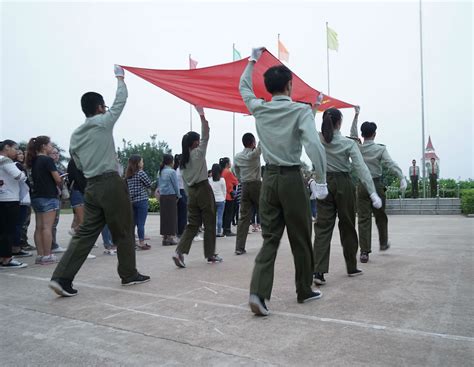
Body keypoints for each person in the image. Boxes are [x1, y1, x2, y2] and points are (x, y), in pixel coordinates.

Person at [240, 47, 328, 316]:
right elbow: (314, 145)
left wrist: (252, 61)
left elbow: (244, 87)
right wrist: (321, 179)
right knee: (301, 237)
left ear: (268, 88)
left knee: (270, 238)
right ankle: (304, 289)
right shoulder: (301, 111)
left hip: (269, 180)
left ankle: (258, 292)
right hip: (291, 178)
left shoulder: (259, 108)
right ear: (290, 85)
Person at [49, 65, 150, 297]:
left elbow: (78, 164)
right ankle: (129, 274)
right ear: (99, 107)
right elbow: (120, 101)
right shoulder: (103, 122)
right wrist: (120, 78)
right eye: (103, 106)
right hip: (110, 183)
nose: (106, 109)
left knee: (86, 232)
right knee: (124, 229)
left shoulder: (75, 135)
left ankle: (61, 278)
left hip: (91, 186)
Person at [313, 108, 383, 286]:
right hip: (343, 183)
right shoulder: (348, 143)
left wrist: (313, 109)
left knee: (323, 227)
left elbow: (305, 126)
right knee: (348, 226)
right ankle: (351, 266)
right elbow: (361, 168)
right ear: (339, 123)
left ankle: (318, 271)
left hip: (324, 183)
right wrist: (372, 191)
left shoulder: (318, 138)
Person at [350, 113, 406, 263]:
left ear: (362, 134)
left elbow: (352, 134)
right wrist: (401, 177)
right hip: (376, 185)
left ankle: (364, 252)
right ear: (374, 134)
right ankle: (383, 242)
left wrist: (356, 116)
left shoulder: (357, 147)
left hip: (362, 186)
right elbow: (391, 164)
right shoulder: (380, 149)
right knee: (381, 216)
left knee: (363, 219)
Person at [172, 106, 222, 268]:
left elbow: (186, 185)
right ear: (195, 142)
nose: (200, 141)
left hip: (191, 193)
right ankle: (210, 255)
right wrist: (201, 115)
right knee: (209, 222)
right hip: (203, 189)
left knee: (192, 224)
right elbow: (206, 135)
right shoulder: (199, 153)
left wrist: (190, 196)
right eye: (198, 140)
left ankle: (180, 252)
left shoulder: (182, 162)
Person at [26, 136, 64, 265]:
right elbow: (57, 179)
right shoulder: (47, 160)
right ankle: (48, 255)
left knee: (39, 227)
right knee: (47, 227)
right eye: (50, 145)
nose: (52, 147)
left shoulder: (34, 160)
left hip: (36, 196)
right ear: (43, 146)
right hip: (49, 195)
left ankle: (41, 255)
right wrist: (61, 179)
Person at [0, 140, 28, 269]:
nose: (16, 152)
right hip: (10, 199)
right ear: (7, 147)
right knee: (8, 231)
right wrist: (23, 173)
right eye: (15, 148)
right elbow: (18, 176)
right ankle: (7, 259)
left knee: (2, 231)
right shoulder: (5, 160)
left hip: (2, 198)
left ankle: (2, 257)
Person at [233, 133, 262, 255]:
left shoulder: (237, 156)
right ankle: (269, 242)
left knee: (244, 217)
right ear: (253, 142)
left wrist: (241, 179)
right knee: (265, 212)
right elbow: (262, 143)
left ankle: (239, 247)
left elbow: (235, 171)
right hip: (256, 184)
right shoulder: (255, 154)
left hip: (244, 185)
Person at [125, 155, 152, 250]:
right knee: (141, 223)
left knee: (133, 223)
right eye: (142, 162)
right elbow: (149, 184)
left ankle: (132, 242)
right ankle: (141, 242)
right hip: (142, 200)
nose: (143, 163)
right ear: (138, 163)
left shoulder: (128, 174)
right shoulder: (141, 173)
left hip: (132, 201)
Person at [157, 154, 180, 246]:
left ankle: (165, 238)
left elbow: (159, 184)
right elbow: (175, 185)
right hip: (171, 195)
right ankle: (170, 238)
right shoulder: (172, 172)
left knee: (164, 217)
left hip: (163, 196)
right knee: (171, 217)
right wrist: (178, 195)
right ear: (171, 161)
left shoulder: (160, 171)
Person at [13, 149, 33, 256]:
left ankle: (19, 244)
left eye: (22, 153)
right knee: (20, 223)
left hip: (18, 198)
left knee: (20, 223)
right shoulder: (17, 166)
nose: (21, 155)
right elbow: (24, 181)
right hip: (21, 198)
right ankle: (17, 247)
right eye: (19, 153)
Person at [49, 147, 67, 254]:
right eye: (53, 153)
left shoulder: (56, 166)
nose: (56, 155)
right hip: (51, 196)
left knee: (53, 223)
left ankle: (52, 244)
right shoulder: (49, 165)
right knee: (51, 223)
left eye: (57, 153)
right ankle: (52, 245)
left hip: (56, 195)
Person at [220, 157, 239, 236]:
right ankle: (227, 230)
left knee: (224, 214)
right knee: (229, 214)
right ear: (227, 164)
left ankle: (224, 229)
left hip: (223, 195)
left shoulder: (221, 172)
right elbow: (236, 181)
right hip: (229, 195)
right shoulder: (228, 172)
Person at [208, 163, 226, 237]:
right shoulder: (222, 180)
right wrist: (224, 198)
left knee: (213, 217)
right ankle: (219, 232)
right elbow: (224, 190)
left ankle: (213, 231)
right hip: (221, 199)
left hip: (212, 200)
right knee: (220, 217)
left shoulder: (209, 180)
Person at [174, 154, 188, 238]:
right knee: (183, 213)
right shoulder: (182, 170)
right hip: (182, 191)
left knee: (179, 213)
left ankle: (178, 231)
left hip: (178, 191)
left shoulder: (175, 169)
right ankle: (181, 231)